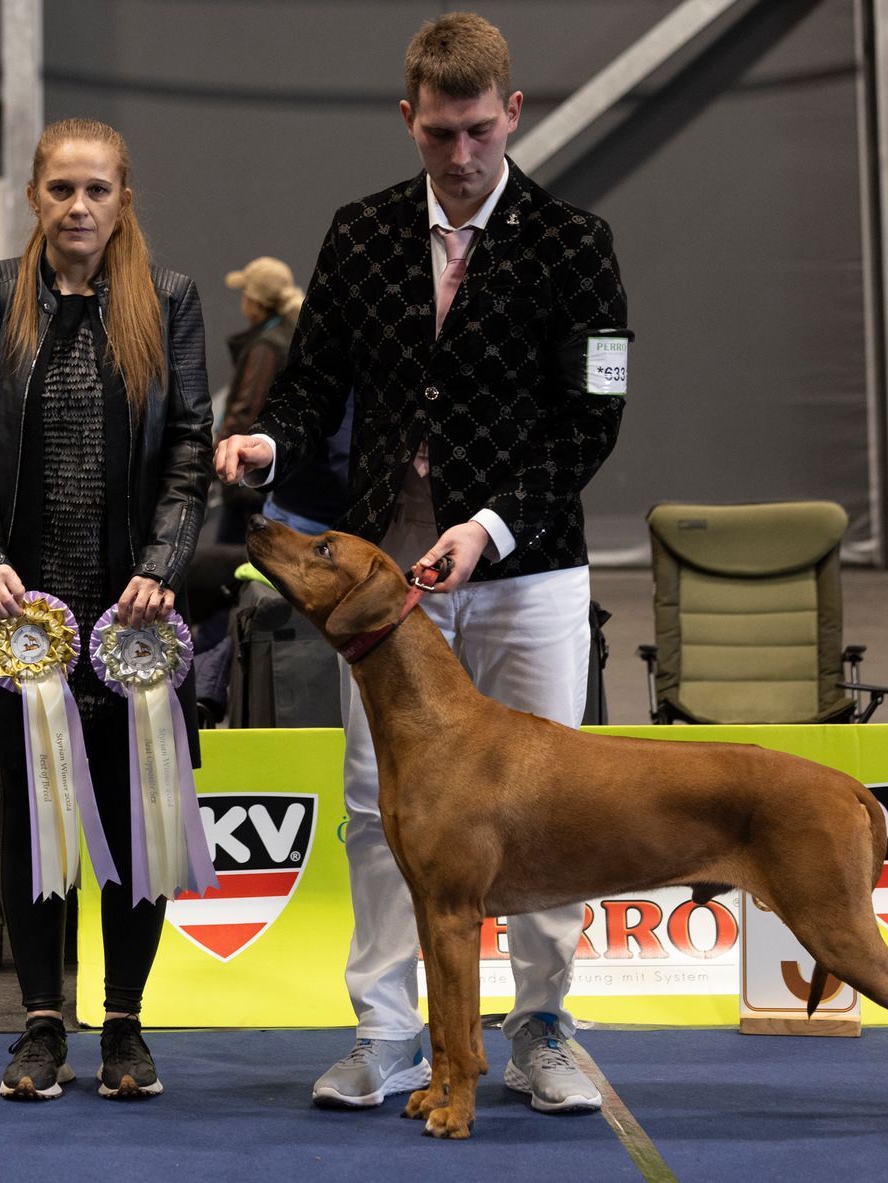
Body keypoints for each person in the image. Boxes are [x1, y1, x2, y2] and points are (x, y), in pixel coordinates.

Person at [215, 12, 629, 1114]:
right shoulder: (360, 233)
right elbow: (312, 385)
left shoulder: (576, 242)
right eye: (440, 133)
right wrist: (269, 444)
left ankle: (540, 1027)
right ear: (409, 118)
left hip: (529, 566)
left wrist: (489, 525)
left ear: (513, 113)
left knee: (550, 810)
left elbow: (593, 421)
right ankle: (388, 1030)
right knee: (374, 804)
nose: (461, 154)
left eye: (479, 131)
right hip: (387, 581)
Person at [0, 117, 211, 1101]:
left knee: (137, 817)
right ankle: (41, 1024)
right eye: (61, 189)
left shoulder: (171, 299)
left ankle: (126, 1025)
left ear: (124, 199)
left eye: (97, 189)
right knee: (28, 817)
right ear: (34, 197)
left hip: (133, 612)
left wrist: (164, 564)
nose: (79, 206)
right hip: (26, 614)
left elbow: (190, 442)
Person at [211, 256, 303, 543]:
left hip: (247, 475)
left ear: (254, 302)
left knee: (232, 555)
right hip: (276, 478)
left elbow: (245, 410)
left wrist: (217, 458)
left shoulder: (266, 347)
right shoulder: (292, 334)